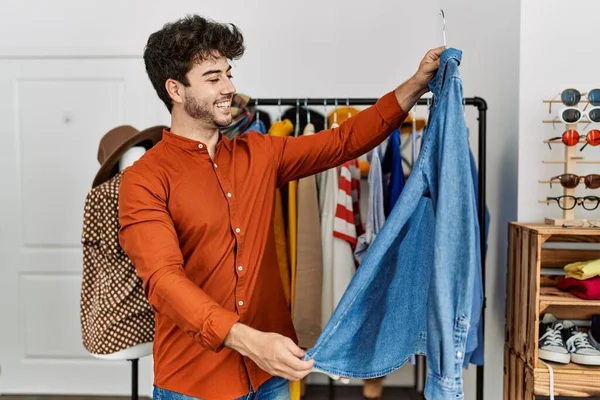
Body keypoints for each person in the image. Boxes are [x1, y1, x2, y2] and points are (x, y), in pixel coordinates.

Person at [118, 14, 443, 400]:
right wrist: (246, 340)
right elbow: (164, 281)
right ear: (175, 89)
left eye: (228, 73)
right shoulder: (144, 179)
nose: (230, 87)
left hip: (270, 375)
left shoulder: (261, 152)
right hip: (194, 384)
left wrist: (416, 84)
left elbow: (344, 141)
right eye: (213, 78)